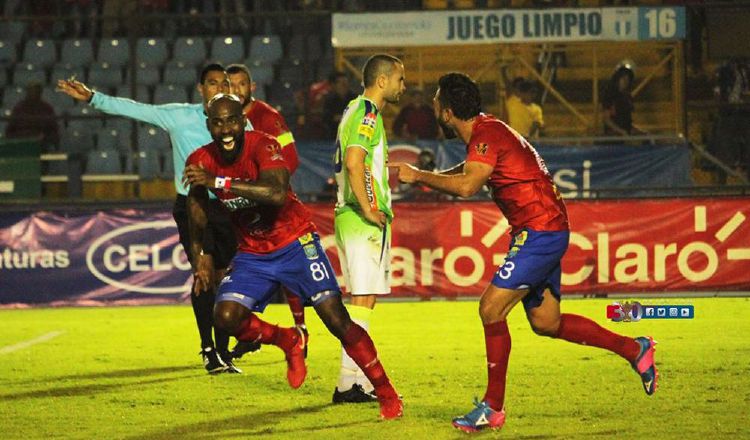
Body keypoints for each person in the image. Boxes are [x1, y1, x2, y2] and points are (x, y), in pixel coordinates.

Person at [390, 72, 658, 433]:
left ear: (448, 112)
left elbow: (469, 185)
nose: (433, 104)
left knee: (490, 308)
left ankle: (492, 409)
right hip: (543, 228)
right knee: (548, 322)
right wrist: (425, 172)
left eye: (437, 100)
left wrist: (419, 176)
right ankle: (634, 349)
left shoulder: (485, 135)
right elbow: (473, 172)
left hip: (540, 232)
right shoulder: (486, 132)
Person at [182, 94, 403, 419]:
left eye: (232, 120)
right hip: (254, 252)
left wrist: (220, 181)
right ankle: (288, 339)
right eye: (218, 122)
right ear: (209, 125)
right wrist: (200, 252)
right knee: (226, 317)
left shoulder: (265, 145)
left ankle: (385, 392)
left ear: (243, 120)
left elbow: (275, 193)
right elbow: (196, 205)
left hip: (295, 242)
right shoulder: (200, 159)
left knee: (336, 319)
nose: (226, 129)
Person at [56, 64, 250, 375]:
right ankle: (208, 349)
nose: (219, 88)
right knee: (203, 272)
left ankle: (224, 350)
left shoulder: (240, 122)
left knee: (224, 279)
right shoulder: (179, 116)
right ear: (201, 89)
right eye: (212, 83)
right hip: (192, 206)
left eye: (224, 83)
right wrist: (93, 98)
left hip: (227, 208)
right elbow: (136, 109)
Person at [332, 54, 405, 403]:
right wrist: (369, 207)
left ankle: (354, 380)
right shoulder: (367, 113)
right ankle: (348, 383)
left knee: (364, 300)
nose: (402, 87)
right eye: (400, 80)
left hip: (352, 215)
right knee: (361, 301)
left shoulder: (352, 108)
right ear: (383, 81)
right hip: (360, 218)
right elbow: (353, 161)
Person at [225, 63, 308, 358]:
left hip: (272, 205)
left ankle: (300, 330)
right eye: (230, 85)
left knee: (289, 269)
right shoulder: (223, 120)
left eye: (241, 84)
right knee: (245, 268)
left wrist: (265, 187)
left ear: (252, 87)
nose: (235, 90)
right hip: (241, 208)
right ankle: (249, 334)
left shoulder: (267, 117)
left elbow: (292, 159)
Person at [5, 82, 59, 150]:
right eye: (31, 91)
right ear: (27, 92)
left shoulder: (47, 108)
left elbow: (54, 131)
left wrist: (44, 137)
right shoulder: (18, 108)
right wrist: (22, 137)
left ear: (40, 93)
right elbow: (9, 132)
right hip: (21, 146)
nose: (33, 94)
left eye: (36, 91)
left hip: (41, 146)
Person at [602, 61, 646, 136]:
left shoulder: (627, 98)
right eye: (623, 78)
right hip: (613, 139)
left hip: (625, 137)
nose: (626, 81)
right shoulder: (610, 95)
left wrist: (640, 132)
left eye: (628, 79)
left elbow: (627, 124)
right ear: (617, 78)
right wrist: (621, 132)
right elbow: (607, 120)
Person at [323, 72, 357, 139]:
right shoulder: (330, 99)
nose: (344, 85)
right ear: (334, 85)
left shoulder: (355, 98)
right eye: (341, 83)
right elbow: (326, 117)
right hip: (333, 135)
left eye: (345, 82)